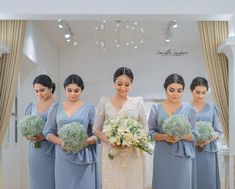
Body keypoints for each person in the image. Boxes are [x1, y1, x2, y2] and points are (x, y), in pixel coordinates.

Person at [93, 67, 148, 189]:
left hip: (132, 153)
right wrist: (110, 141)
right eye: (119, 84)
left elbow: (145, 129)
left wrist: (133, 140)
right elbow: (96, 129)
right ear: (114, 83)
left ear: (131, 85)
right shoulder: (104, 101)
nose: (123, 88)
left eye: (127, 84)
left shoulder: (138, 102)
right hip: (111, 153)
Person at [43, 74, 98, 189]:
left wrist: (84, 142)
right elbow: (48, 132)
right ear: (64, 90)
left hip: (83, 156)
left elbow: (98, 134)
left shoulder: (89, 108)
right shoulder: (56, 107)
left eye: (76, 90)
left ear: (81, 90)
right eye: (69, 90)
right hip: (62, 155)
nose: (72, 94)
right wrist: (60, 142)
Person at [148, 73, 199, 189]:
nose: (175, 94)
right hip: (162, 154)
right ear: (165, 89)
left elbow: (195, 134)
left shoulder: (189, 109)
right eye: (171, 90)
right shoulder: (156, 108)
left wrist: (181, 136)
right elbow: (150, 133)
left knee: (182, 184)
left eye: (179, 90)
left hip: (182, 155)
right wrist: (165, 137)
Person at [190, 76, 222, 189]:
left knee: (208, 181)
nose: (200, 96)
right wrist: (194, 141)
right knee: (192, 181)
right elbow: (182, 133)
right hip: (191, 151)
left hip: (208, 150)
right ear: (191, 91)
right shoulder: (185, 109)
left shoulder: (213, 108)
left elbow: (218, 131)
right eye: (197, 92)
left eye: (204, 93)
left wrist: (209, 138)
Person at [25, 74, 56, 189]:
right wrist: (28, 135)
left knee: (50, 180)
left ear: (51, 88)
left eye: (42, 90)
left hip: (51, 150)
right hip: (35, 151)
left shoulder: (58, 107)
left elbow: (60, 130)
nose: (39, 94)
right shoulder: (31, 106)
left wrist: (44, 136)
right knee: (35, 180)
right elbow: (26, 126)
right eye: (36, 91)